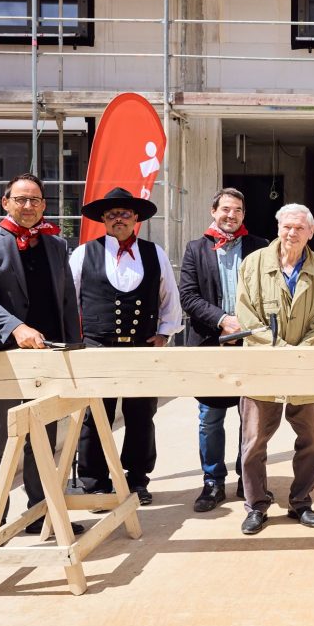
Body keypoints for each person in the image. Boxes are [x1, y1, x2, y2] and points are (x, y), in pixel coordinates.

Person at [0, 173, 85, 536]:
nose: (28, 206)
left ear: (44, 205)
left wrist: (74, 347)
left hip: (48, 355)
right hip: (3, 354)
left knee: (44, 439)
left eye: (35, 200)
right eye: (21, 199)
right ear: (6, 202)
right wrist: (17, 327)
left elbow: (67, 301)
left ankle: (40, 513)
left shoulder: (56, 244)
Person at [70, 187, 183, 507]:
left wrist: (165, 332)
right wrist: (75, 341)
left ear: (136, 219)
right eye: (112, 214)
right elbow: (69, 301)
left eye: (125, 214)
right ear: (103, 220)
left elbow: (169, 297)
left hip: (141, 349)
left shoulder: (155, 253)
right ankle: (94, 481)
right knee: (95, 416)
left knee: (141, 415)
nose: (118, 219)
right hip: (96, 349)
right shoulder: (83, 254)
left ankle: (137, 480)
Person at [236, 203, 314, 535]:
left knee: (311, 441)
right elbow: (247, 315)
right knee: (253, 444)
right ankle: (256, 506)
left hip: (306, 368)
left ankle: (302, 501)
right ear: (278, 228)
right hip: (262, 367)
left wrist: (301, 352)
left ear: (311, 231)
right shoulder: (254, 264)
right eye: (286, 226)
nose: (292, 232)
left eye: (299, 227)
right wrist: (279, 350)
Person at [178, 187, 268, 512]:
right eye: (225, 210)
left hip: (251, 347)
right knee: (210, 418)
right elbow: (188, 296)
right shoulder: (195, 249)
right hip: (210, 345)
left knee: (252, 419)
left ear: (244, 214)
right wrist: (222, 320)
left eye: (238, 211)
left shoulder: (260, 247)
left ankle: (249, 480)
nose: (231, 216)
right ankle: (212, 482)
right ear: (213, 211)